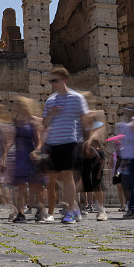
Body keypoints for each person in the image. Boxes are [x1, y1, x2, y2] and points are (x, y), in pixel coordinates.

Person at [42, 66, 92, 224]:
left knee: (67, 177)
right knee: (57, 180)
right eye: (51, 81)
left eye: (55, 80)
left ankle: (69, 211)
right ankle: (75, 207)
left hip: (69, 141)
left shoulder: (77, 98)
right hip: (53, 143)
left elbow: (85, 119)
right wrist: (51, 114)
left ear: (64, 79)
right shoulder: (50, 101)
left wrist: (88, 140)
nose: (52, 84)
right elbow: (44, 123)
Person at [9, 96, 44, 222]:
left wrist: (37, 151)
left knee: (36, 185)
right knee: (20, 186)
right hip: (19, 156)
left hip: (30, 155)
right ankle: (20, 212)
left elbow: (38, 140)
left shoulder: (33, 121)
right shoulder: (16, 121)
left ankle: (40, 209)